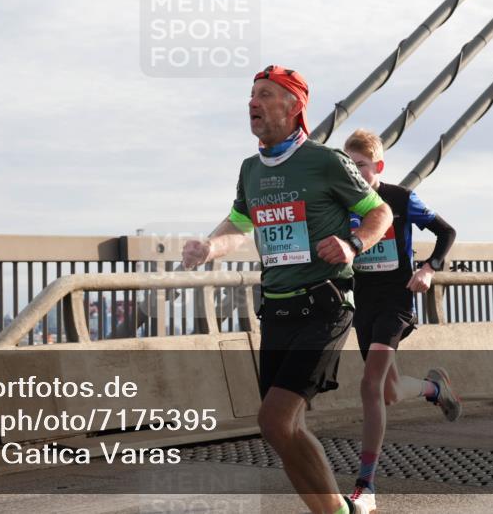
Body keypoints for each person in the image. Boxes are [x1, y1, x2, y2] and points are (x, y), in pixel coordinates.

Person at [183, 66, 392, 514]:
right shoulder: (250, 170)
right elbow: (241, 222)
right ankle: (337, 509)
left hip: (325, 304)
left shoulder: (326, 161)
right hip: (277, 311)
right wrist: (210, 246)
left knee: (274, 420)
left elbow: (380, 212)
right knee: (283, 428)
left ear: (294, 106)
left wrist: (354, 243)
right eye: (251, 96)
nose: (252, 103)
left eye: (264, 95)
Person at [342, 128, 461, 512]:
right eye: (348, 165)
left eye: (360, 166)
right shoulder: (341, 203)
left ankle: (366, 488)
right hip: (364, 303)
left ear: (377, 166)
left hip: (397, 300)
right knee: (389, 392)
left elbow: (447, 231)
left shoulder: (399, 198)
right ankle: (434, 389)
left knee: (370, 384)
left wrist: (429, 268)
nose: (354, 172)